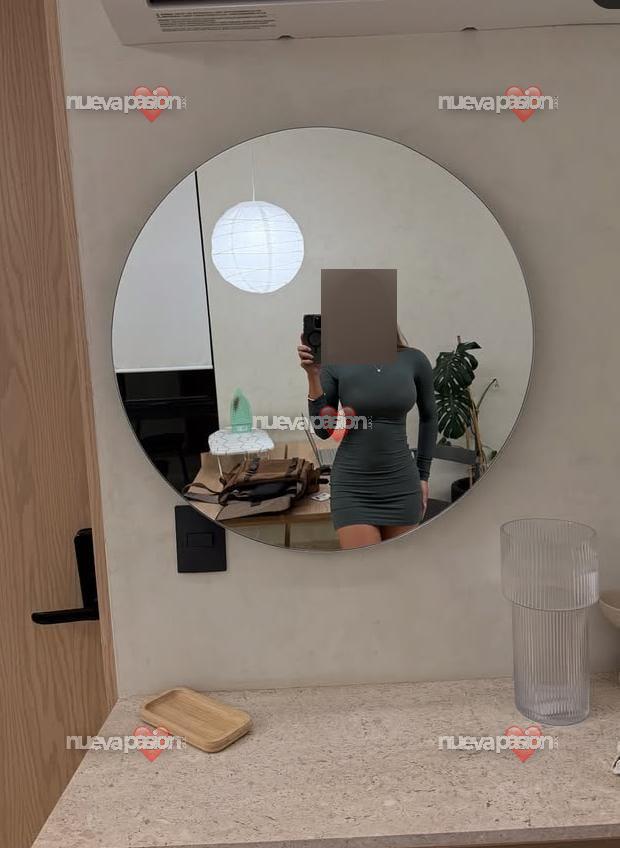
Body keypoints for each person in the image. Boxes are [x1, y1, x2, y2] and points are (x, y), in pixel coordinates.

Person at [298, 328, 438, 550]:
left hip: (402, 482)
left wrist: (424, 475)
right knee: (364, 568)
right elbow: (324, 430)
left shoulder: (414, 360)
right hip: (353, 486)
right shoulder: (335, 363)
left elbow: (429, 418)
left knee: (401, 567)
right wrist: (313, 376)